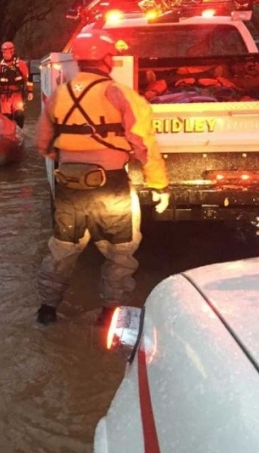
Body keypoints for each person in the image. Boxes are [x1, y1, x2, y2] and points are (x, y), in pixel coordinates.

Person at [35, 29, 170, 327]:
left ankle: (46, 310)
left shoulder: (59, 94)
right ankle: (111, 315)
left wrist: (70, 159)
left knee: (62, 249)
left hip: (69, 187)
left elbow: (43, 143)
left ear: (80, 60)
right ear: (107, 59)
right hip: (112, 187)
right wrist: (159, 185)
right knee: (121, 253)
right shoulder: (121, 94)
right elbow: (144, 144)